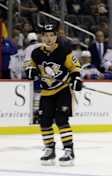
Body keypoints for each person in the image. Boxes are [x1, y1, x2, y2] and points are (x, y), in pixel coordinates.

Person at [25, 23, 82, 166]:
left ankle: (69, 150)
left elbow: (75, 66)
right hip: (46, 92)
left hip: (62, 89)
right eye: (46, 35)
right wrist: (30, 71)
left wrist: (76, 78)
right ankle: (50, 149)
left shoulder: (64, 51)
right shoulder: (36, 53)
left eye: (52, 35)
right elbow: (29, 65)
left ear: (56, 37)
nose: (49, 38)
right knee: (44, 121)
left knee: (62, 120)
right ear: (42, 37)